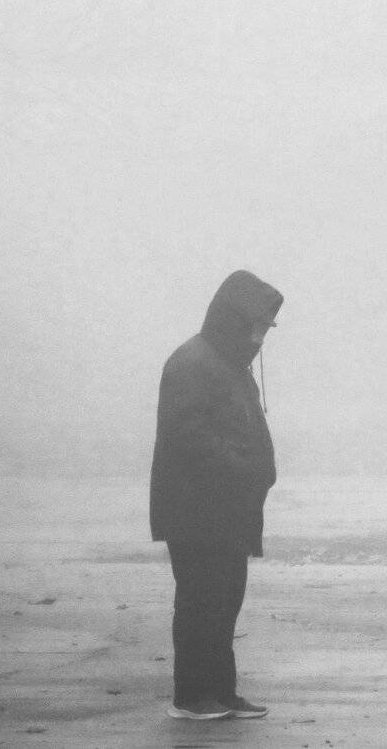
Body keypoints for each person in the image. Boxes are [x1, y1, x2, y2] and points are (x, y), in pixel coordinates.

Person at [150, 269, 284, 721]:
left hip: (228, 510)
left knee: (225, 602)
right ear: (235, 318)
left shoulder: (229, 365)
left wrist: (257, 473)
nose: (261, 335)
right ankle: (190, 698)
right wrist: (242, 466)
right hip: (195, 510)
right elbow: (187, 435)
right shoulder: (192, 362)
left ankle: (222, 693)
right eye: (258, 324)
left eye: (266, 326)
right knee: (199, 602)